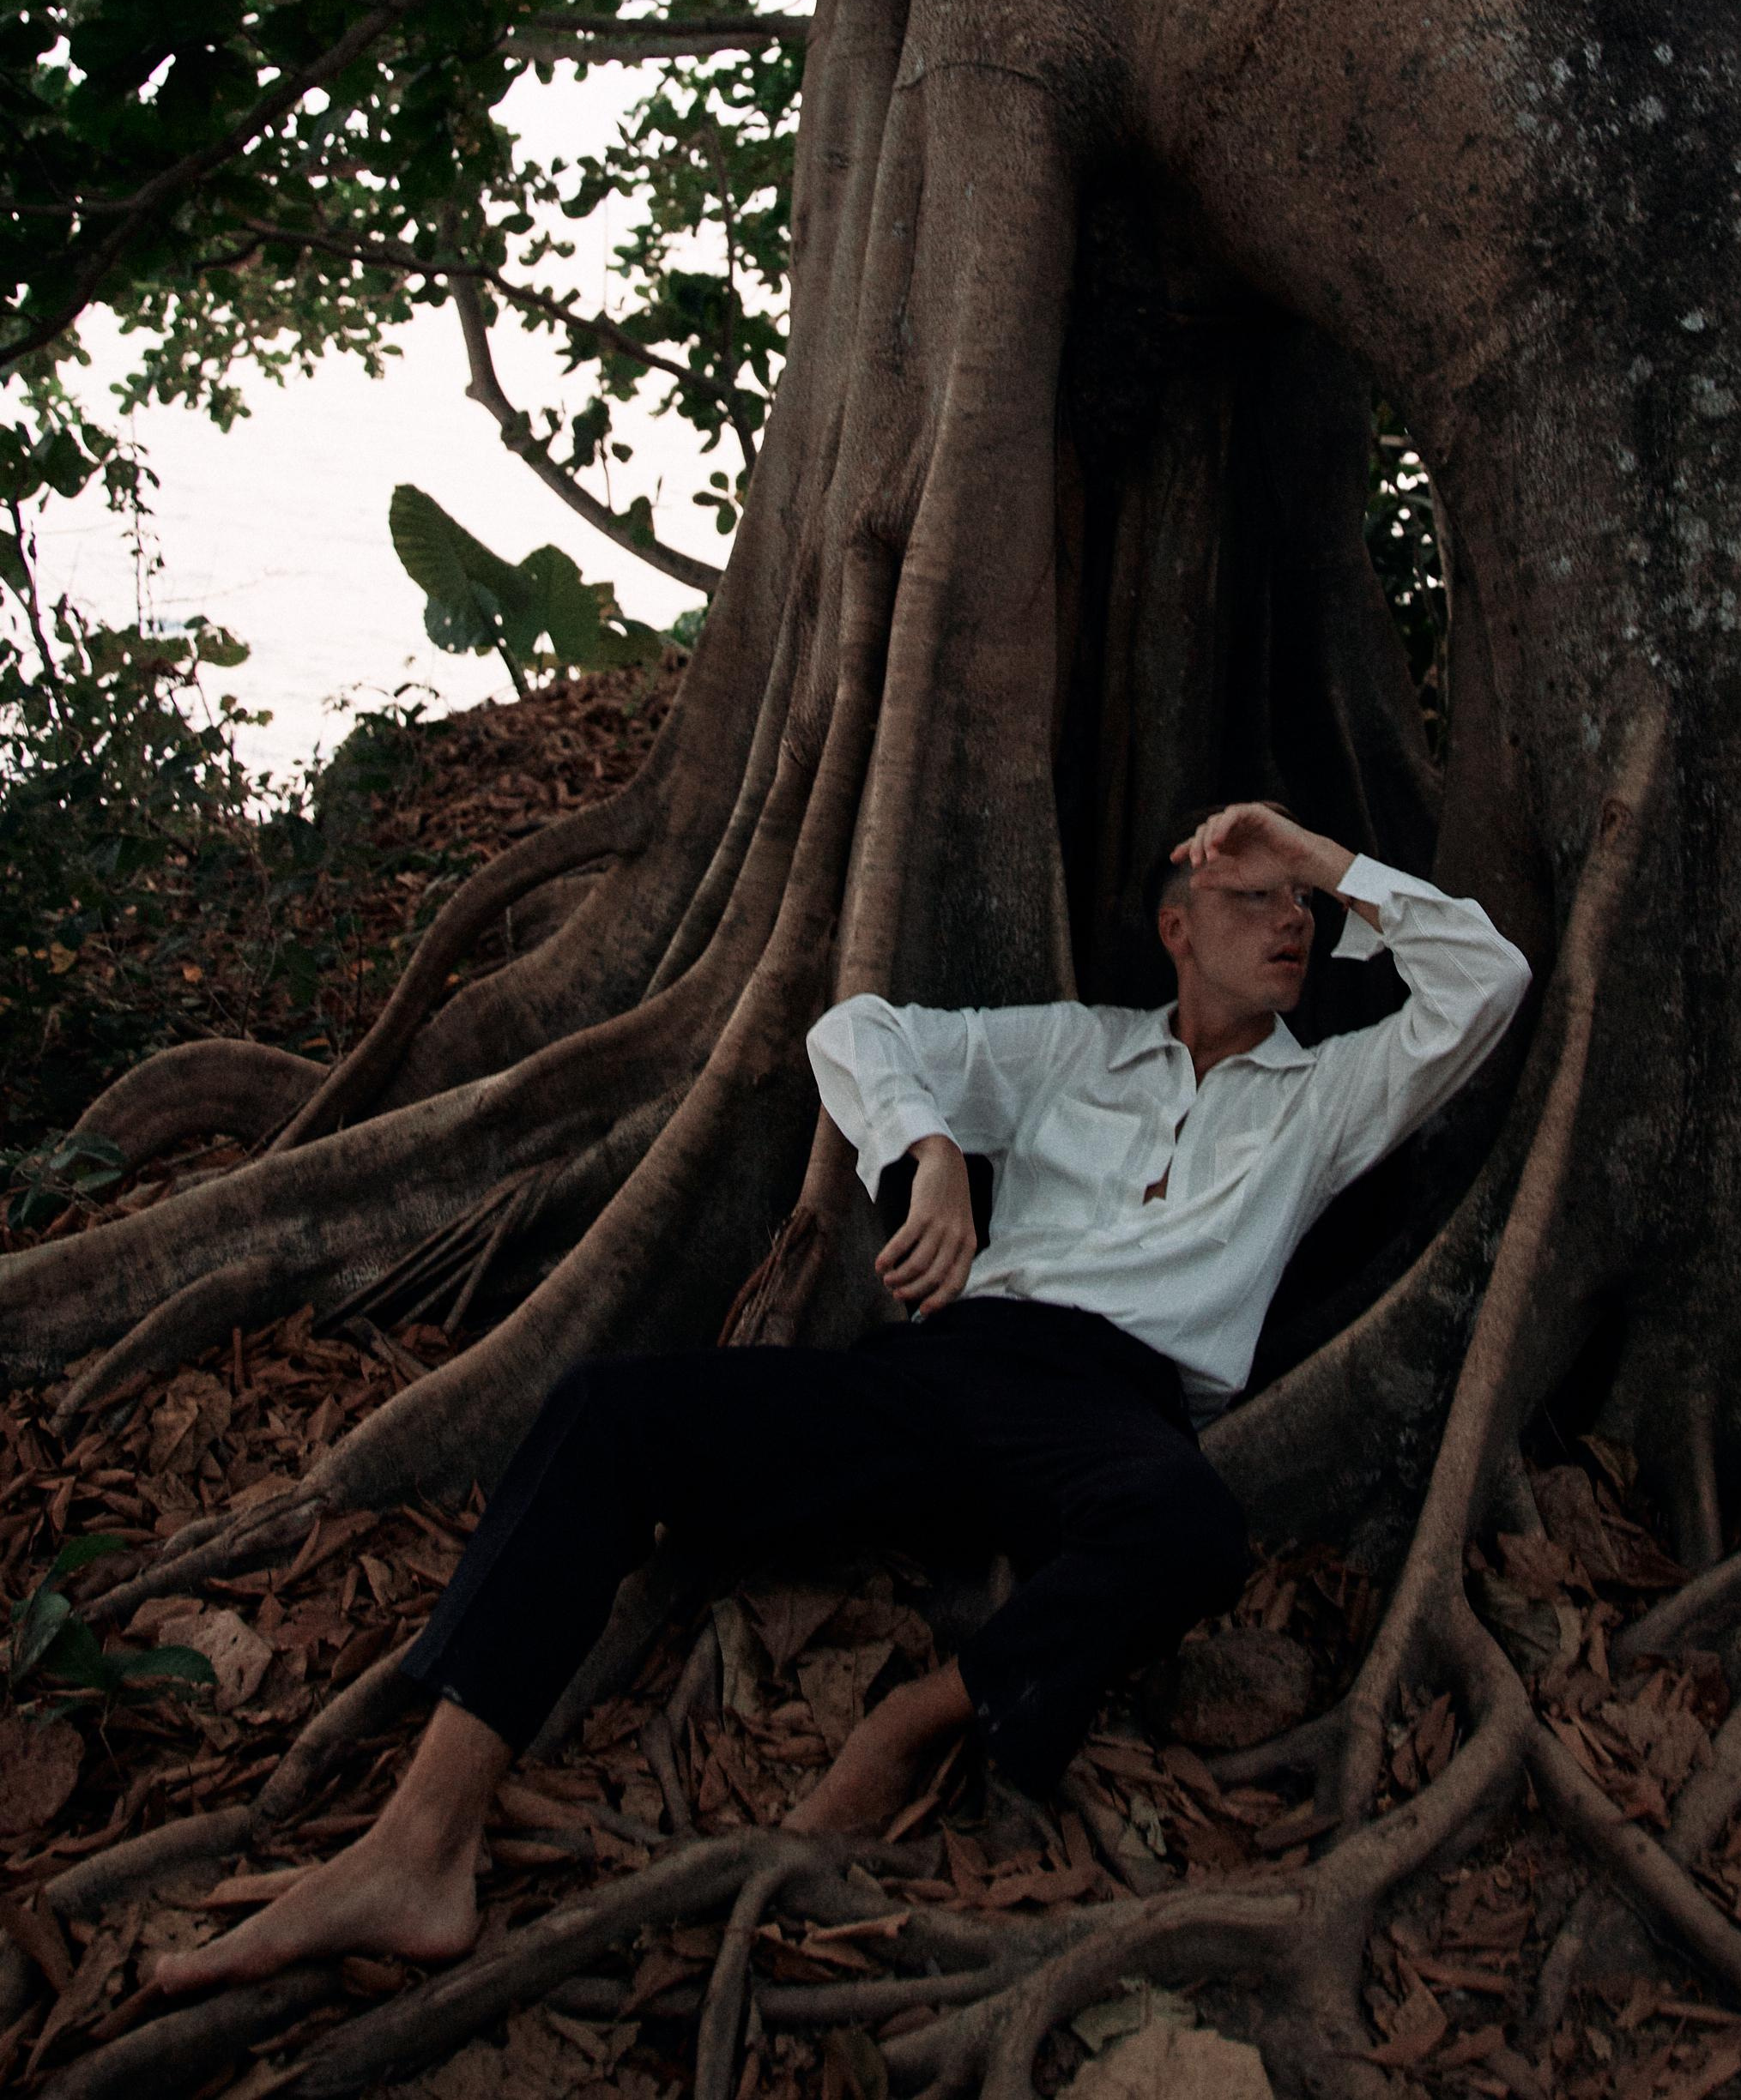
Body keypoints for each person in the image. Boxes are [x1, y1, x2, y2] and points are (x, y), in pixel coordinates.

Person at [157, 800, 1529, 1995]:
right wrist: (931, 1155)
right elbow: (854, 1029)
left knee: (1191, 1528)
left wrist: (1311, 851)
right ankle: (421, 1843)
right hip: (949, 1365)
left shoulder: (1326, 1096)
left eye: (1301, 907)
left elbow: (1486, 979)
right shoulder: (1073, 1049)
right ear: (1176, 929)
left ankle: (913, 1726)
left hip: (1113, 1412)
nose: (1290, 923)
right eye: (1253, 899)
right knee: (607, 1413)